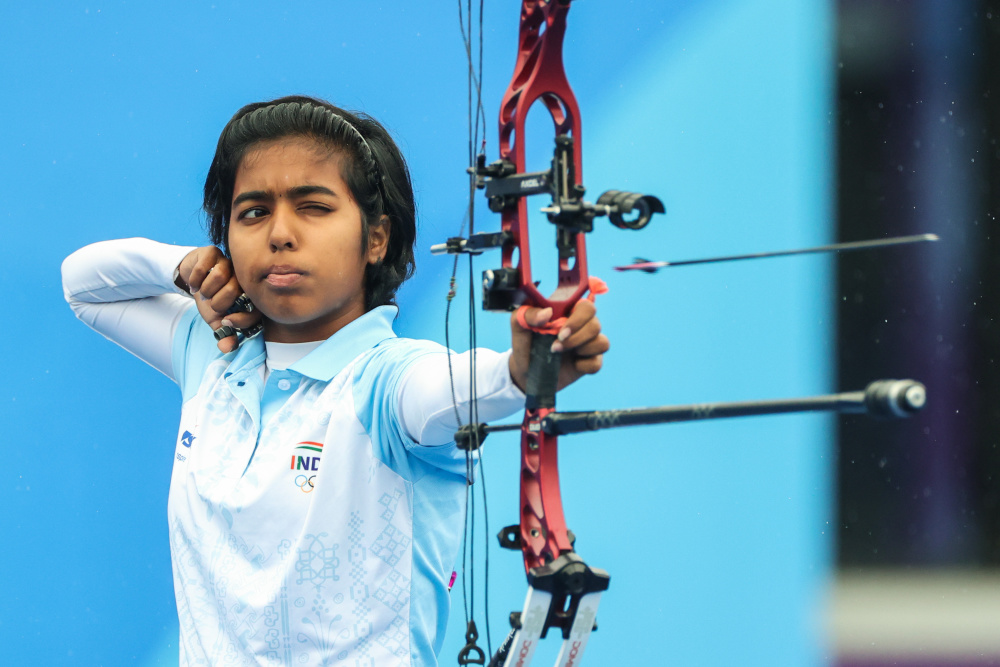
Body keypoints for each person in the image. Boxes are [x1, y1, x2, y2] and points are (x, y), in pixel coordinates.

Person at [61, 95, 608, 666]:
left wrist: (522, 371)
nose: (279, 234)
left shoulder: (385, 382)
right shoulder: (213, 354)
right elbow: (81, 284)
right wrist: (184, 266)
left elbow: (454, 387)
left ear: (376, 238)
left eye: (314, 207)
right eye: (252, 212)